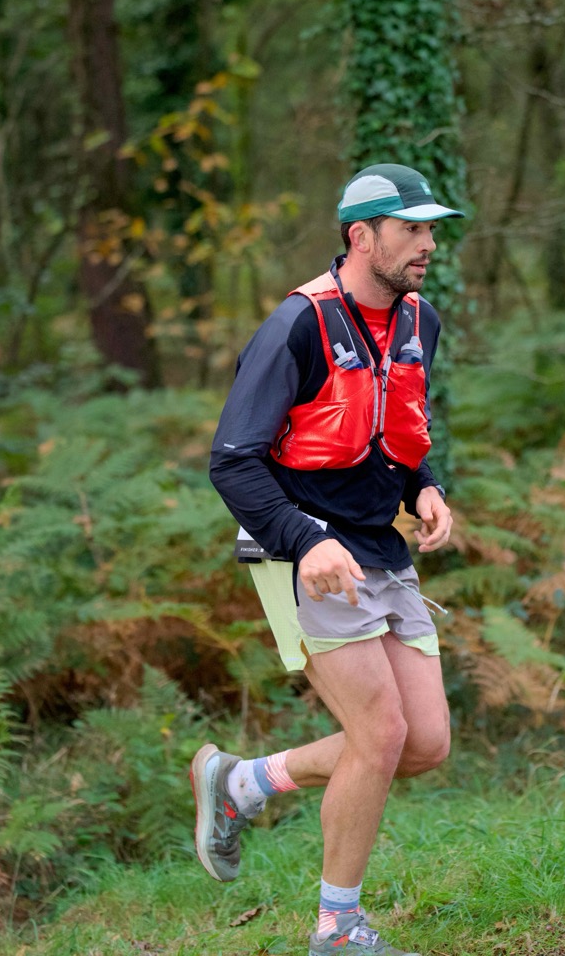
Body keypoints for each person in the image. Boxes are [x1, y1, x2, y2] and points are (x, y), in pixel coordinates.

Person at [190, 163, 464, 956]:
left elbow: (394, 429)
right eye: (410, 229)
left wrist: (424, 487)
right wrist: (305, 539)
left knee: (424, 744)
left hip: (379, 546)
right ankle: (337, 930)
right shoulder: (298, 325)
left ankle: (243, 782)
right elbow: (232, 461)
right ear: (361, 236)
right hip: (300, 552)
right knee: (379, 734)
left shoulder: (419, 320)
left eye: (430, 229)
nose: (427, 244)